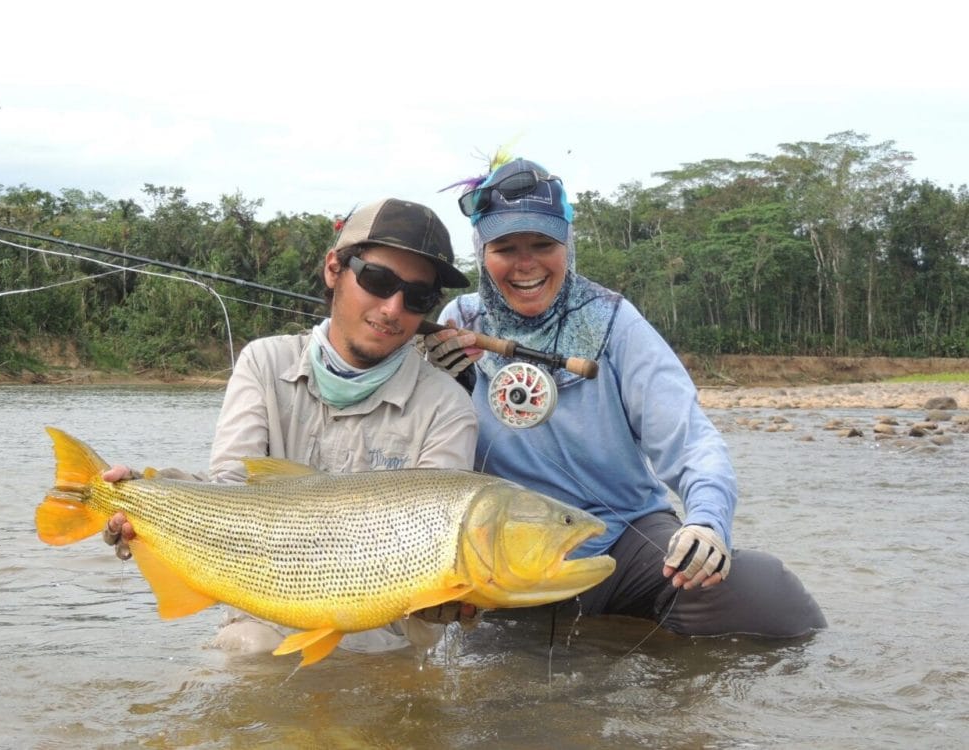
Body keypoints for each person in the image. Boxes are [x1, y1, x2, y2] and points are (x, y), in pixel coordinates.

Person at [424, 158, 826, 637]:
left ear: (567, 246)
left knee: (768, 599)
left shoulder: (615, 320)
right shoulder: (457, 322)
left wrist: (708, 523)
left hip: (623, 537)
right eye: (505, 247)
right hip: (510, 550)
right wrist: (446, 383)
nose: (525, 263)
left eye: (543, 245)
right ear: (481, 252)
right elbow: (430, 457)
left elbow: (691, 439)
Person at [103, 198, 480, 655]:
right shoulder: (263, 363)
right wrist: (145, 500)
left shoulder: (448, 406)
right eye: (378, 281)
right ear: (333, 269)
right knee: (246, 654)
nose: (393, 308)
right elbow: (230, 490)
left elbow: (440, 549)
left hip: (382, 647)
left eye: (418, 296)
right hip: (261, 626)